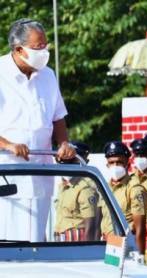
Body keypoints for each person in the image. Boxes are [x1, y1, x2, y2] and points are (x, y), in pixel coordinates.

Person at [0, 18, 76, 242]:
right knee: (9, 239)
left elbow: (58, 118)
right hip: (7, 173)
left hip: (41, 173)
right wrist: (8, 145)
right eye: (37, 47)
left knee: (36, 240)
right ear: (19, 49)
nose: (44, 52)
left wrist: (64, 143)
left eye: (45, 46)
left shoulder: (48, 75)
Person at [100, 141, 147, 256]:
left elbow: (139, 229)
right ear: (107, 165)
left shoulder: (134, 188)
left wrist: (140, 257)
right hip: (106, 243)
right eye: (112, 162)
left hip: (124, 244)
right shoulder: (104, 188)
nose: (115, 166)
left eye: (119, 162)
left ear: (127, 164)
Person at [53, 142, 99, 242]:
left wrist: (86, 252)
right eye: (62, 161)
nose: (64, 165)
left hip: (76, 243)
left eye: (70, 161)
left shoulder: (85, 187)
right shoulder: (63, 185)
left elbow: (90, 226)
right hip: (61, 241)